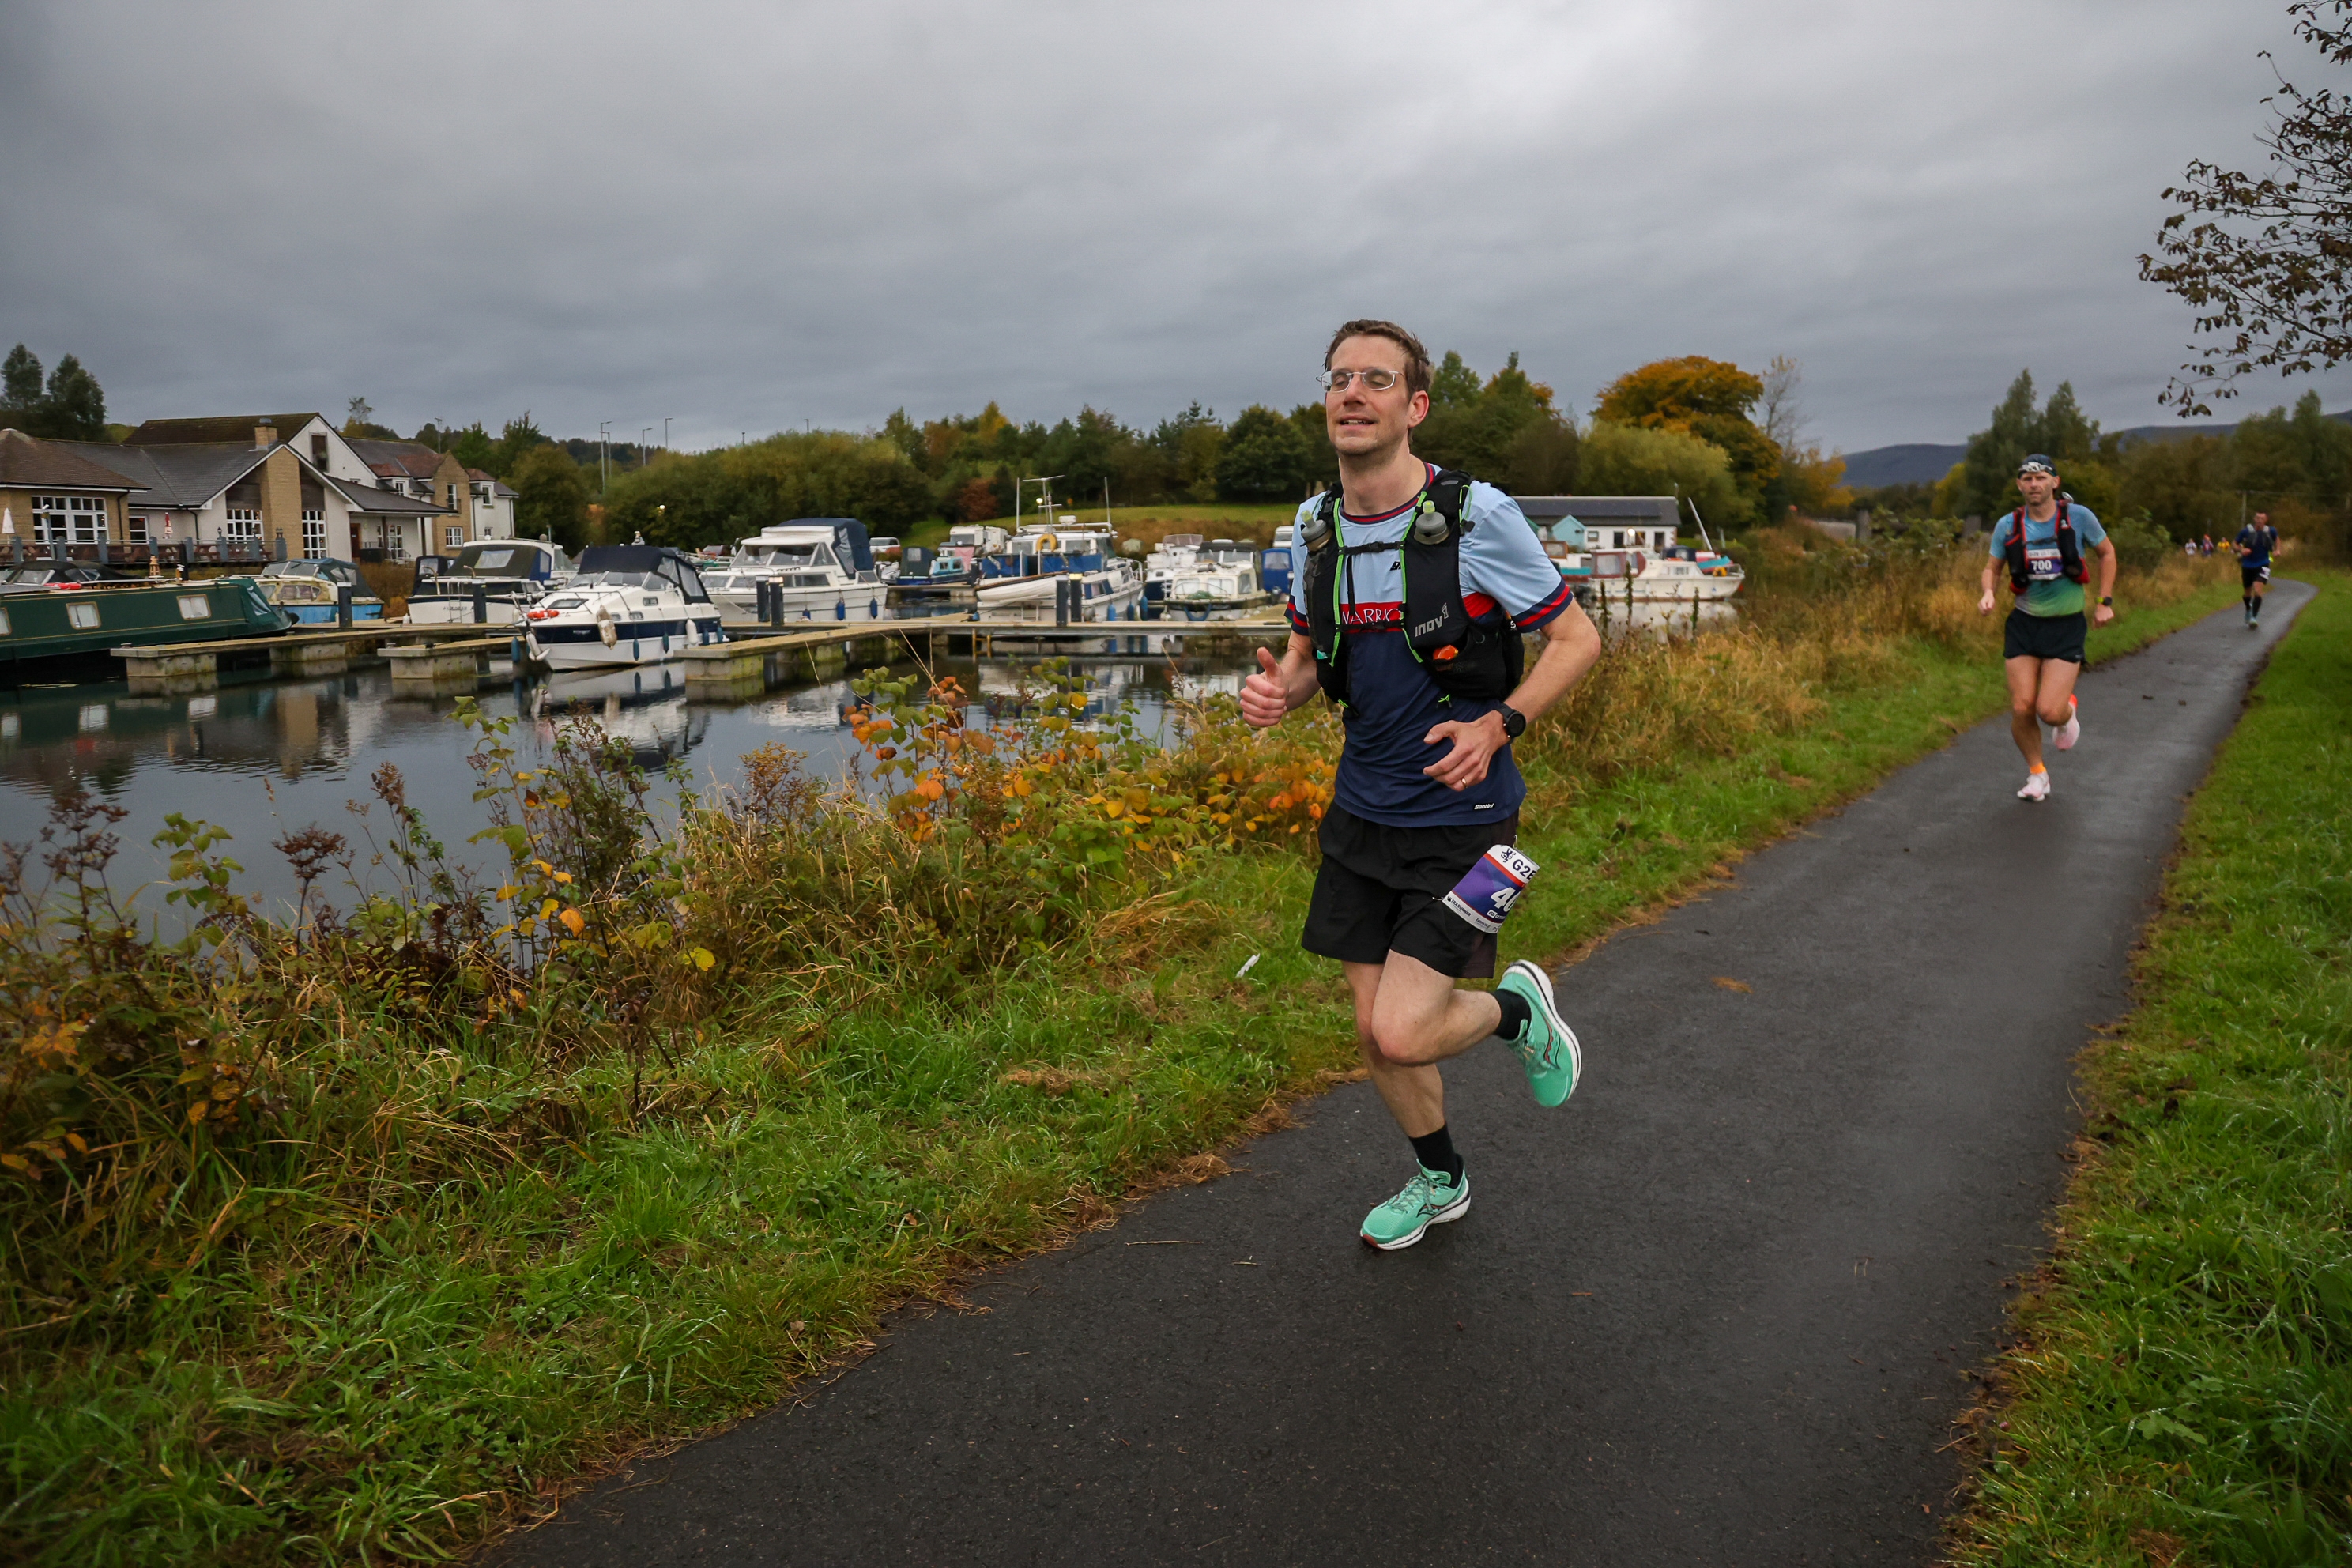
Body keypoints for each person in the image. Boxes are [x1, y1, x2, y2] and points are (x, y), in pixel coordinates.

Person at [1242, 319, 1603, 1250]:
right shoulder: (1315, 524)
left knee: (1403, 1032)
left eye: (1375, 378)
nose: (1351, 392)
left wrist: (1499, 723)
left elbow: (1578, 639)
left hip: (1469, 820)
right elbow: (1308, 656)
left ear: (1415, 405)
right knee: (1373, 1033)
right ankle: (1441, 1180)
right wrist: (1278, 690)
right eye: (1337, 378)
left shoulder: (1477, 515)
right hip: (1362, 813)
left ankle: (1518, 1009)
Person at [1977, 454, 2116, 801]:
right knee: (2022, 706)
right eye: (2027, 479)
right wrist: (1988, 593)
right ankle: (2038, 774)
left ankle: (2067, 714)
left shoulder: (2078, 517)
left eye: (2040, 478)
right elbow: (1992, 567)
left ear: (2054, 482)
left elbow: (2107, 554)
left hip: (2066, 625)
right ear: (2019, 485)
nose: (2033, 484)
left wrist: (2104, 602)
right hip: (2024, 624)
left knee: (2049, 711)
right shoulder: (2008, 524)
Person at [2235, 510, 2281, 627]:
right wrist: (2241, 550)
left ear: (2266, 520)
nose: (2259, 521)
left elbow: (2277, 539)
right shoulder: (2247, 531)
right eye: (2257, 518)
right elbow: (2234, 543)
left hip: (2263, 564)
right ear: (2254, 519)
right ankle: (2248, 608)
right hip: (2247, 564)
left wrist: (2277, 550)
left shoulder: (2271, 531)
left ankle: (2254, 618)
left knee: (2258, 589)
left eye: (2262, 519)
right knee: (2247, 593)